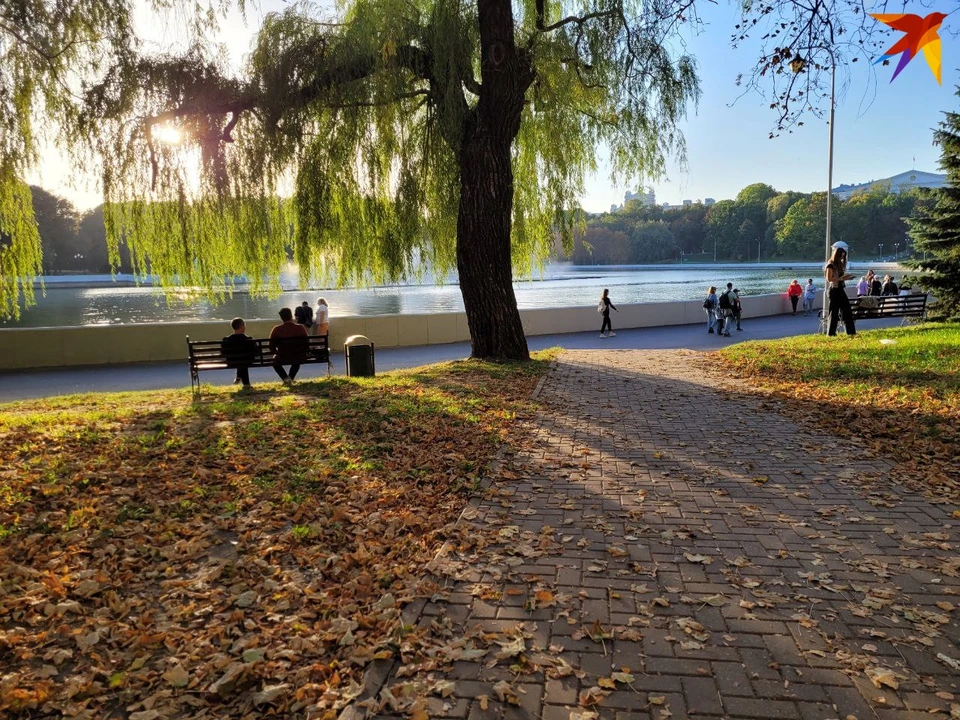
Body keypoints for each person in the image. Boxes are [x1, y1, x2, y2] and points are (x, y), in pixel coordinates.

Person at [270, 307, 309, 384]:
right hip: (298, 356)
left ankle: (286, 378)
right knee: (297, 359)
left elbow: (271, 346)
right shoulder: (300, 328)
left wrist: (277, 353)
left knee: (275, 362)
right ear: (291, 316)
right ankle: (290, 378)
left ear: (281, 318)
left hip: (282, 356)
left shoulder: (276, 329)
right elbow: (306, 343)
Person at [825, 241, 856, 336]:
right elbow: (829, 278)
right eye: (841, 256)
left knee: (847, 310)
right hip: (834, 290)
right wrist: (840, 279)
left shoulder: (840, 265)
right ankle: (831, 333)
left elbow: (839, 278)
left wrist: (846, 278)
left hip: (840, 289)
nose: (842, 258)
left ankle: (850, 331)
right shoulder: (830, 265)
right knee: (833, 312)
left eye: (843, 256)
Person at [221, 318, 258, 389]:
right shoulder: (249, 339)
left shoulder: (226, 340)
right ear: (242, 326)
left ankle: (241, 379)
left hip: (231, 362)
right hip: (247, 361)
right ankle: (246, 384)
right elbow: (256, 353)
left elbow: (223, 353)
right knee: (243, 360)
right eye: (244, 325)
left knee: (240, 360)